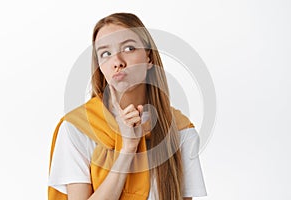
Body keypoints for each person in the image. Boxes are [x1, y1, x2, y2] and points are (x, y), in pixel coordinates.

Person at [48, 12, 207, 200]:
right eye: (105, 54)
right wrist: (127, 149)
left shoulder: (181, 131)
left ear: (149, 58)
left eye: (129, 48)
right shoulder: (77, 128)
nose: (117, 62)